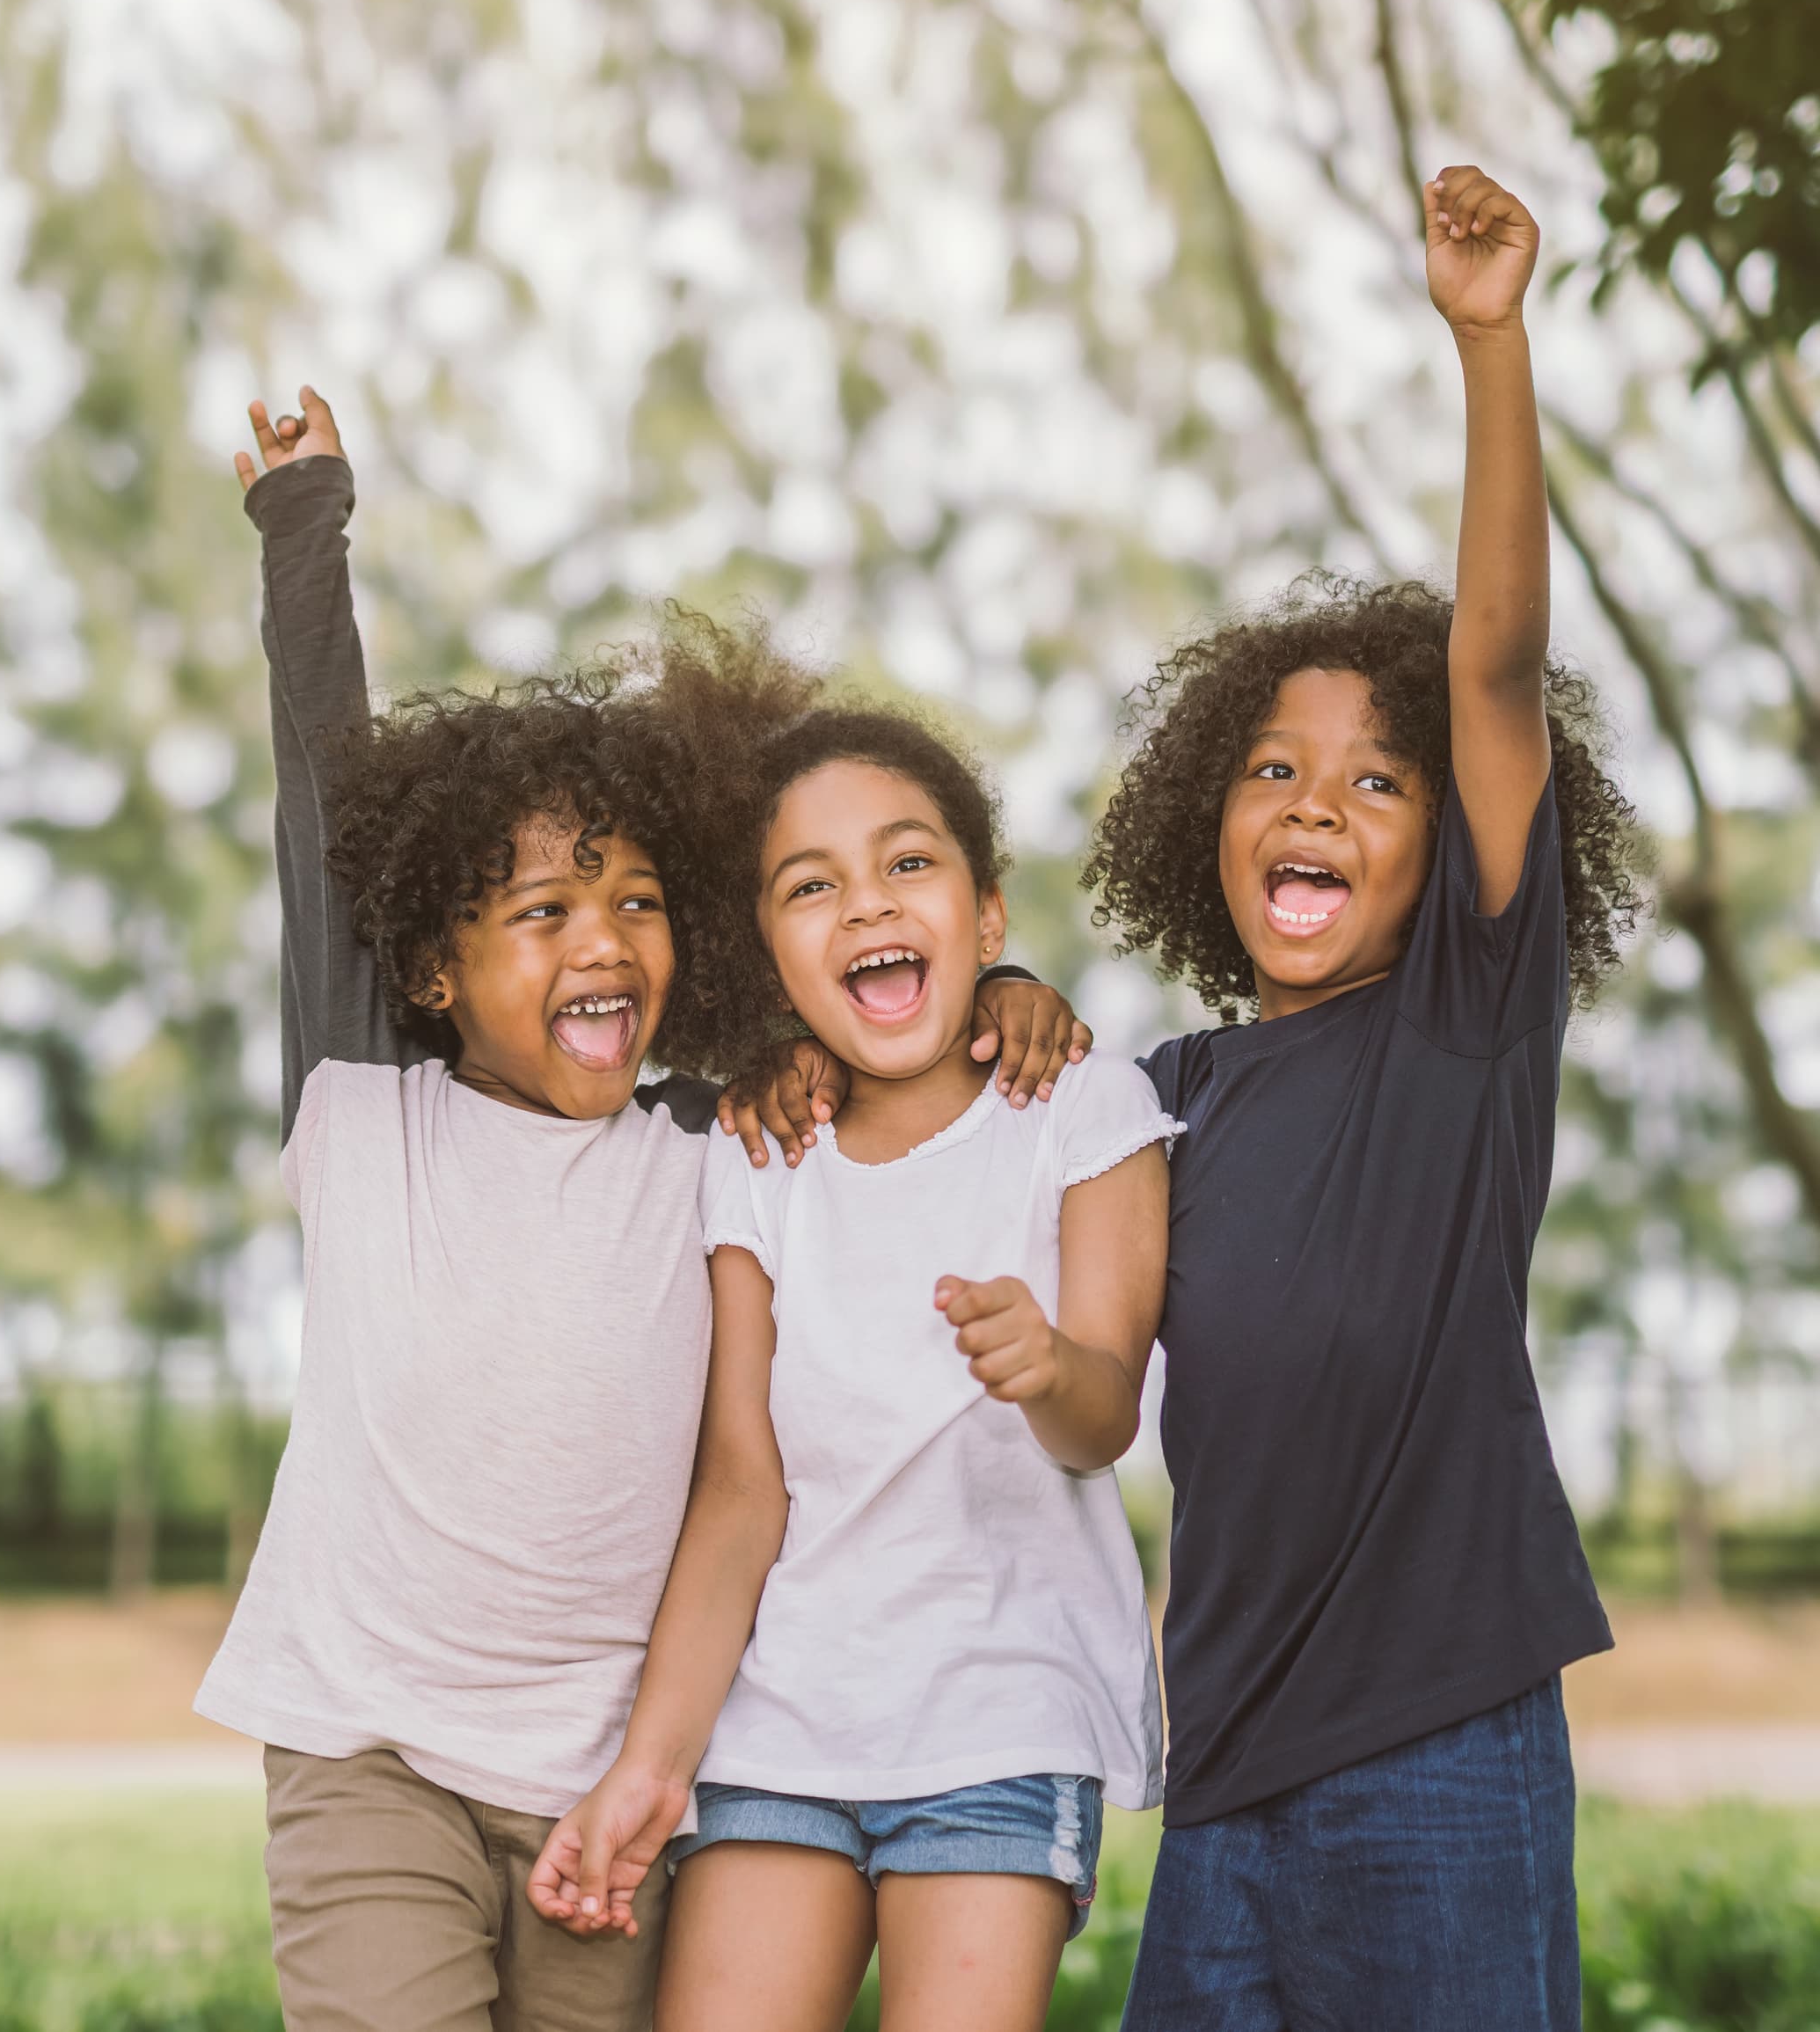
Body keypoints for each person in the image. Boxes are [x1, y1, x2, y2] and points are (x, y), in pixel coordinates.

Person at [198, 390, 1093, 2032]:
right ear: (429, 967)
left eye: (639, 903)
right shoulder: (362, 1106)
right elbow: (322, 805)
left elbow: (875, 996)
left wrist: (1004, 992)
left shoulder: (719, 1137)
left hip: (616, 1779)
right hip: (369, 1748)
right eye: (543, 912)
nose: (603, 939)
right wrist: (302, 526)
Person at [1079, 171, 1648, 2032]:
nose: (1316, 803)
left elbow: (1490, 661)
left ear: (1447, 848)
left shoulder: (1463, 1034)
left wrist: (1489, 347)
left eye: (1378, 784)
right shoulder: (1151, 1103)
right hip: (1224, 1775)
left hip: (1442, 1753)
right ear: (1204, 821)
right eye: (1273, 768)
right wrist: (1001, 1002)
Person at [524, 702, 1174, 2032]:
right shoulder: (755, 1159)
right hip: (780, 1731)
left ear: (989, 921)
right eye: (809, 887)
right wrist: (649, 1771)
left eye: (907, 864)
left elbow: (1102, 1419)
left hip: (1003, 1723)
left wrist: (1047, 1364)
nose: (865, 904)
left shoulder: (1083, 1110)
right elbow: (740, 1493)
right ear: (768, 958)